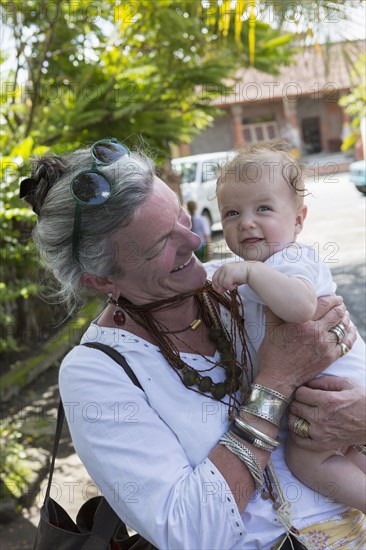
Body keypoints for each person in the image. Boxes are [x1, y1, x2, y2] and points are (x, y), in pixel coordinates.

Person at [19, 138, 365, 549]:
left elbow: (348, 367)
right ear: (101, 280)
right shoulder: (96, 374)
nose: (194, 242)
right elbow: (192, 533)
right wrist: (275, 384)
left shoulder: (247, 280)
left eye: (182, 218)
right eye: (161, 243)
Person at [212, 140, 366, 513]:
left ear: (298, 220)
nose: (246, 222)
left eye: (263, 208)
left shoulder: (291, 259)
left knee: (305, 460)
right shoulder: (260, 273)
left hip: (341, 387)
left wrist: (252, 271)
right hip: (324, 398)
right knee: (346, 455)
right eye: (232, 213)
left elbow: (300, 307)